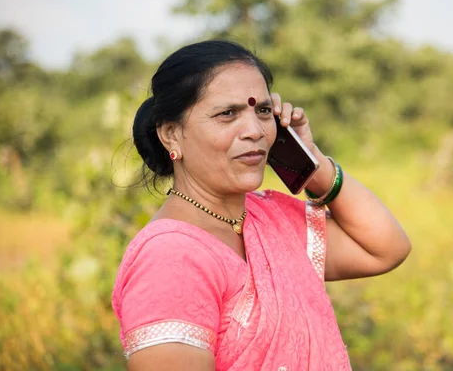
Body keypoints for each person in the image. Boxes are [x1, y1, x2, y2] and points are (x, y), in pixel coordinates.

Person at [111, 40, 411, 371]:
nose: (255, 131)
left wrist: (312, 163)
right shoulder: (169, 258)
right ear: (171, 134)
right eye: (228, 114)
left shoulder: (271, 219)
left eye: (263, 111)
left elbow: (385, 248)